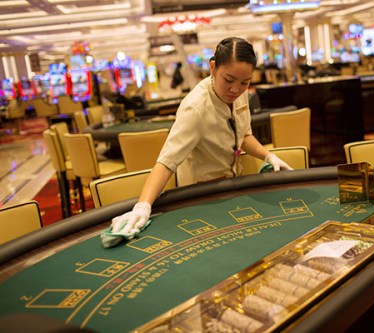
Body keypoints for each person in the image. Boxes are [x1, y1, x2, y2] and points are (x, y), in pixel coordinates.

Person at [109, 37, 292, 238]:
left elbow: (244, 136)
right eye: (229, 80)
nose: (235, 89)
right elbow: (166, 163)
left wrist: (268, 156)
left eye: (244, 83)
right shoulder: (194, 108)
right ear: (212, 68)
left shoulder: (240, 94)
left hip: (232, 188)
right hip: (200, 198)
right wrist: (142, 206)